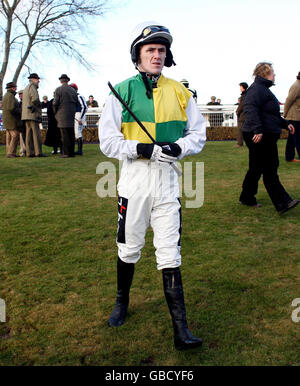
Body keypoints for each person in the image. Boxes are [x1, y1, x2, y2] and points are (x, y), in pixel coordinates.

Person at [99, 21, 206, 350]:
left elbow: (197, 135)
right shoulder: (122, 90)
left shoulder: (180, 91)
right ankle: (122, 302)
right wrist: (138, 148)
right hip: (133, 185)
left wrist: (179, 148)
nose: (157, 55)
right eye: (151, 50)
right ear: (139, 55)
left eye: (161, 50)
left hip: (167, 185)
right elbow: (107, 140)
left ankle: (181, 331)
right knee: (129, 249)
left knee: (170, 254)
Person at [239, 62, 299, 215]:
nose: (275, 76)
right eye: (272, 73)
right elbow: (250, 109)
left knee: (256, 167)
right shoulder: (256, 90)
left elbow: (270, 114)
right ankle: (283, 202)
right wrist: (257, 130)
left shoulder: (263, 89)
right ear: (264, 74)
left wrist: (286, 124)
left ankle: (246, 196)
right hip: (259, 134)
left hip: (263, 133)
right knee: (270, 167)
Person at [53, 74, 78, 158]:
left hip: (61, 115)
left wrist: (55, 113)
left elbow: (55, 103)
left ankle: (66, 153)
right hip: (71, 114)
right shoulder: (73, 90)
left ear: (61, 81)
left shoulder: (58, 90)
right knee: (71, 134)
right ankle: (71, 152)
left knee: (64, 135)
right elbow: (76, 102)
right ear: (67, 81)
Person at [21, 73, 46, 157]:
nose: (38, 81)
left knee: (28, 134)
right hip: (32, 114)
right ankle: (38, 152)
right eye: (37, 79)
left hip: (26, 115)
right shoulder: (32, 87)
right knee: (36, 134)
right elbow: (35, 99)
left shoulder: (26, 88)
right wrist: (40, 105)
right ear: (33, 79)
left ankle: (29, 152)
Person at [283, 71, 300, 163]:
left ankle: (289, 157)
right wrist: (285, 114)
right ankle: (290, 157)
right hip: (295, 117)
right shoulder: (296, 86)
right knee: (297, 138)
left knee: (292, 139)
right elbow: (289, 100)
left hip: (296, 116)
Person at [2, 82, 22, 158]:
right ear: (12, 88)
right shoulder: (10, 96)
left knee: (9, 137)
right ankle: (11, 153)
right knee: (15, 135)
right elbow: (11, 108)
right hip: (11, 120)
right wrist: (20, 111)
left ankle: (9, 152)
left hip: (7, 119)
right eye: (15, 87)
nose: (16, 88)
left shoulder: (6, 95)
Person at [69, 83, 88, 155]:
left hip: (79, 114)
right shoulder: (72, 97)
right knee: (75, 132)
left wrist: (80, 118)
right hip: (75, 115)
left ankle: (80, 151)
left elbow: (85, 107)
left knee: (78, 132)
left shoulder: (79, 96)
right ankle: (77, 150)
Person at [235, 82, 248, 147]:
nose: (240, 88)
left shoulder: (244, 95)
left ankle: (239, 143)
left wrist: (237, 111)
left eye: (240, 87)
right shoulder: (247, 94)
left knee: (240, 129)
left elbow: (241, 105)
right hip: (246, 114)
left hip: (243, 115)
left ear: (243, 87)